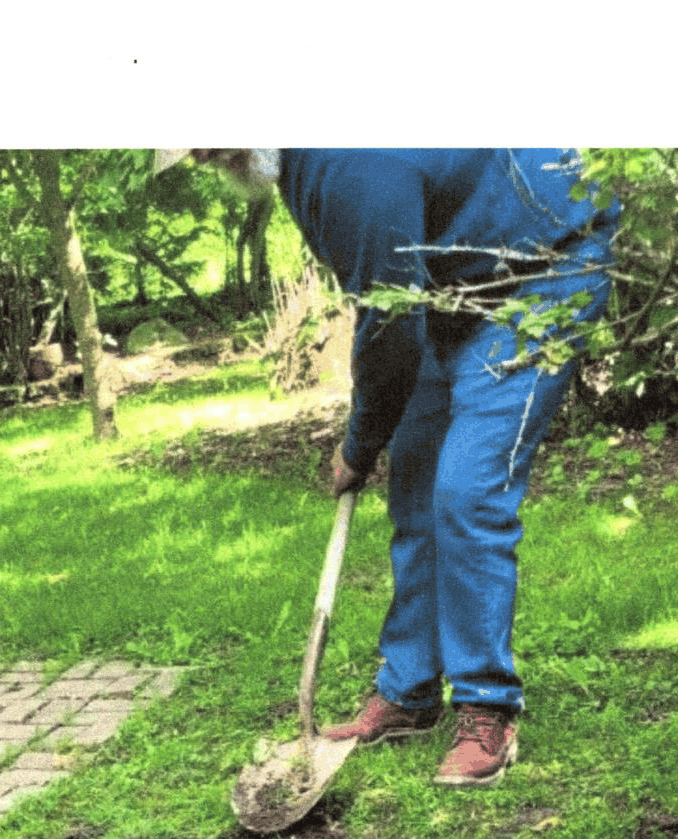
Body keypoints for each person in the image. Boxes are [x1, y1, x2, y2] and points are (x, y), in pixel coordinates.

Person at [159, 150, 619, 787]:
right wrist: (379, 437)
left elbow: (391, 325)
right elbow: (385, 288)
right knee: (417, 482)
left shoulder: (343, 162)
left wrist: (358, 443)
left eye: (208, 138)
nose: (206, 155)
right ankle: (409, 690)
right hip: (451, 284)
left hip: (544, 267)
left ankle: (487, 706)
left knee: (467, 490)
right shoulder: (296, 161)